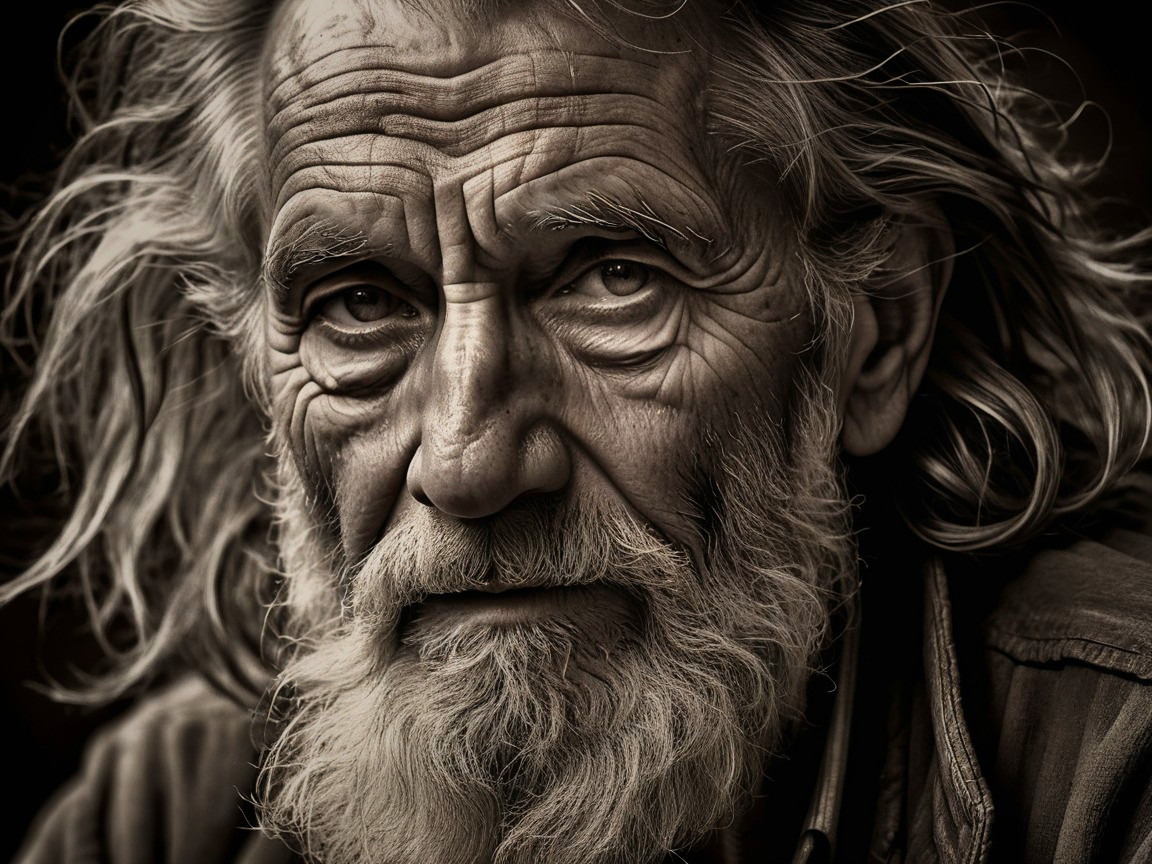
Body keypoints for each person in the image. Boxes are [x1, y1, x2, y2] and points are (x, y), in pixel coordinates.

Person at [4, 0, 1152, 861]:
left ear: (874, 334)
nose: (466, 460)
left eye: (612, 280)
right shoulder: (170, 818)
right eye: (359, 302)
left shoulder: (1110, 767)